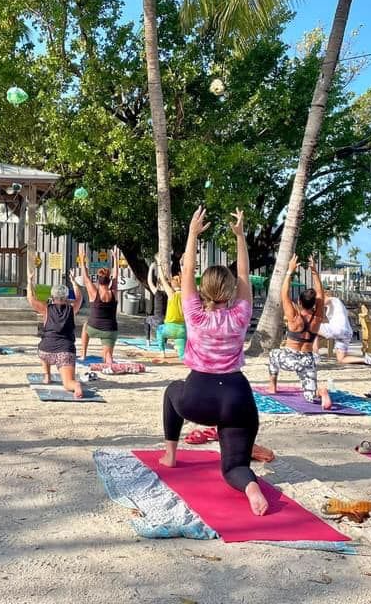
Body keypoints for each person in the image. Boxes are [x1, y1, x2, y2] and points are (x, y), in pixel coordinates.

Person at [160, 206, 274, 516]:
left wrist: (192, 235)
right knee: (234, 466)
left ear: (203, 291)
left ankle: (171, 455)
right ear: (231, 292)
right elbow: (243, 277)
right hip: (238, 398)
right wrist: (240, 237)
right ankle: (250, 486)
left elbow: (185, 276)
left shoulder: (195, 315)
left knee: (172, 390)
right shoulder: (241, 314)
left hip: (199, 397)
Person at [268, 255, 332, 410]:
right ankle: (319, 392)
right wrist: (315, 272)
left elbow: (284, 294)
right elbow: (321, 295)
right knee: (310, 396)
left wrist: (290, 271)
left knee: (273, 355)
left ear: (299, 302)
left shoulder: (294, 316)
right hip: (308, 360)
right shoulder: (318, 317)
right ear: (314, 303)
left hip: (291, 359)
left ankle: (272, 386)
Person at [27, 268, 84, 398]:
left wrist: (30, 281)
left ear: (52, 297)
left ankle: (47, 376)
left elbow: (30, 298)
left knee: (43, 345)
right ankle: (76, 386)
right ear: (66, 297)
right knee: (68, 383)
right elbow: (79, 298)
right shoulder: (71, 309)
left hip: (46, 351)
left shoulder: (46, 309)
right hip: (66, 352)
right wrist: (74, 282)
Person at [79, 246, 120, 367]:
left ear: (98, 280)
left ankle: (83, 354)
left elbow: (85, 278)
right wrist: (116, 259)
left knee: (85, 326)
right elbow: (116, 276)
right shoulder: (113, 291)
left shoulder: (94, 292)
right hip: (111, 330)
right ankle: (109, 359)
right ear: (109, 280)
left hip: (93, 327)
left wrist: (82, 260)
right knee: (107, 357)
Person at [319, 294, 371, 367]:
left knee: (312, 328)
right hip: (346, 333)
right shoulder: (337, 306)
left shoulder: (333, 300)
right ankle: (367, 360)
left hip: (339, 330)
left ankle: (314, 356)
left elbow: (323, 302)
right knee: (341, 359)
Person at [154, 270, 186, 362]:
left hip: (169, 328)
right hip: (183, 330)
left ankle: (162, 352)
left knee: (159, 331)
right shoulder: (186, 295)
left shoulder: (171, 294)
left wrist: (159, 266)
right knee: (182, 354)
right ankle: (181, 354)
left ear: (172, 285)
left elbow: (163, 281)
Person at [145, 261, 169, 346]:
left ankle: (147, 340)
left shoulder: (157, 293)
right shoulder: (169, 293)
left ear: (158, 284)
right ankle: (165, 341)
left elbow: (149, 282)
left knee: (147, 319)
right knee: (163, 326)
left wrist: (151, 268)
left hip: (157, 320)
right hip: (166, 320)